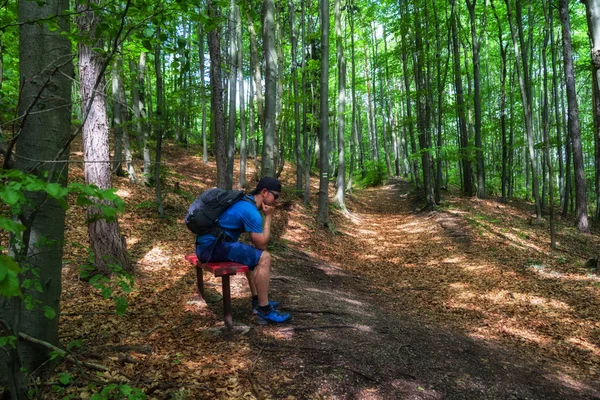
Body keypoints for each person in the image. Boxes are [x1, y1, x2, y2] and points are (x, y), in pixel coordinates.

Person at [195, 177, 291, 324]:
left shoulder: (244, 201)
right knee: (264, 257)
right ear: (264, 192)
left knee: (252, 256)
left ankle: (256, 300)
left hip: (206, 246)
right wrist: (269, 217)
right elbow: (262, 245)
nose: (277, 201)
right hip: (210, 249)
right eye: (276, 196)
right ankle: (264, 310)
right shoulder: (251, 211)